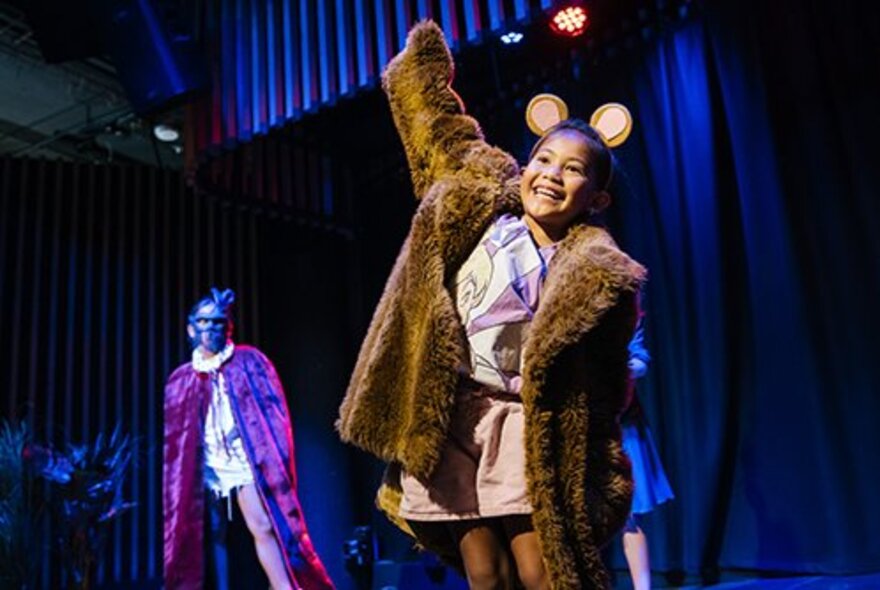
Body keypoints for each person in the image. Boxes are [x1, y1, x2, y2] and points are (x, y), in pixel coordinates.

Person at [337, 21, 646, 590]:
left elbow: (604, 386)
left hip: (522, 422)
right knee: (486, 573)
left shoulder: (594, 272)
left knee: (542, 570)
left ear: (596, 198)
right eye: (544, 158)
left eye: (573, 169)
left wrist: (600, 466)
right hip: (448, 413)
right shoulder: (478, 201)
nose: (552, 174)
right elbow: (436, 127)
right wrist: (422, 66)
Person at [163, 288, 334, 590]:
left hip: (243, 458)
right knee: (207, 534)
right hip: (205, 462)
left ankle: (283, 586)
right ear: (191, 328)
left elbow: (271, 415)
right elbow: (178, 439)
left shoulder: (248, 361)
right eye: (204, 322)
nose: (211, 329)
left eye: (218, 322)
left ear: (227, 326)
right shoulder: (182, 378)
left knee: (262, 524)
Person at [620, 319, 674, 590]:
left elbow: (639, 357)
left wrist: (620, 368)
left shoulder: (624, 307)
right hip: (582, 423)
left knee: (629, 513)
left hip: (621, 420)